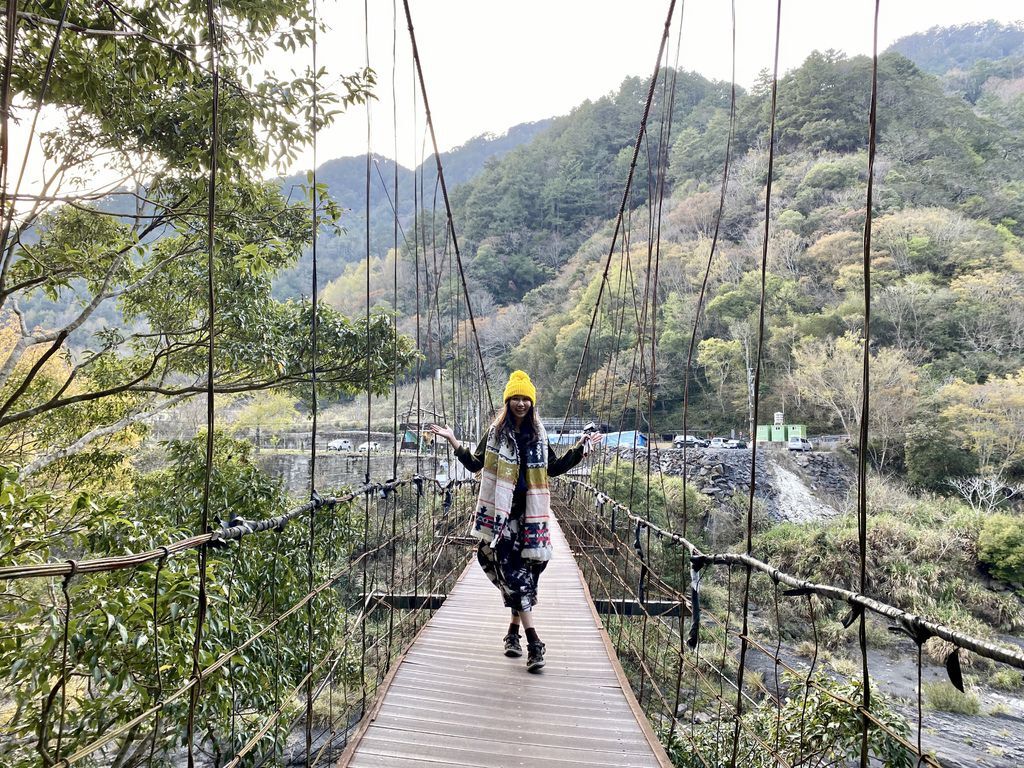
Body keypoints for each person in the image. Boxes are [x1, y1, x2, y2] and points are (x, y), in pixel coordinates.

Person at [428, 370, 603, 672]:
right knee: (514, 574)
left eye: (525, 399)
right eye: (515, 398)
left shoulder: (539, 435)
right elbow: (474, 464)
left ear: (531, 403)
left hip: (531, 517)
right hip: (501, 518)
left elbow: (555, 467)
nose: (520, 403)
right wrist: (454, 441)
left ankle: (512, 633)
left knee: (525, 576)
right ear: (507, 402)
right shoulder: (495, 434)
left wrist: (580, 451)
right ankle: (535, 643)